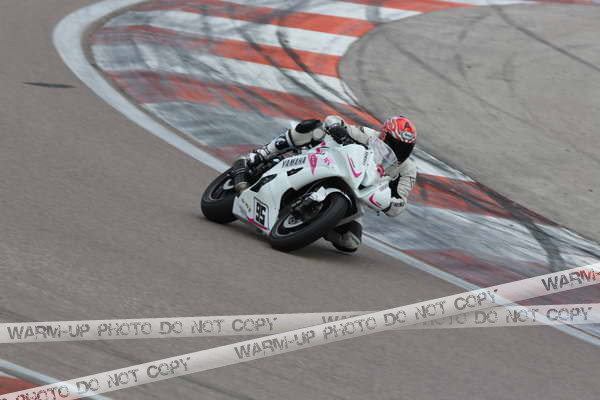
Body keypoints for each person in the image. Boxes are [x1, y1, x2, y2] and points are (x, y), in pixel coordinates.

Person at [231, 115, 418, 253]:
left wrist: (390, 204)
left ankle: (315, 223)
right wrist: (339, 130)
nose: (399, 150)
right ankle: (261, 155)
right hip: (331, 165)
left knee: (350, 242)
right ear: (384, 135)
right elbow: (333, 120)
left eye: (405, 148)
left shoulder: (407, 170)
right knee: (315, 128)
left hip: (356, 197)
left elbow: (400, 202)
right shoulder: (368, 136)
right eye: (395, 143)